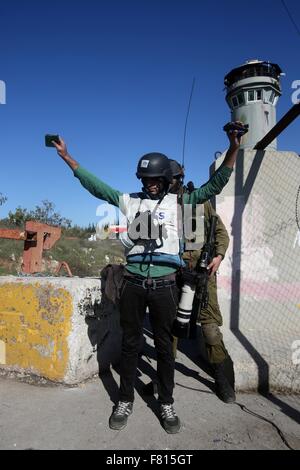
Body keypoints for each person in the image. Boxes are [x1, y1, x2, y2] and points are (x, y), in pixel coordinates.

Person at [51, 124, 240, 433]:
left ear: (166, 180)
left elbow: (215, 184)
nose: (151, 185)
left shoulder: (181, 202)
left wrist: (233, 147)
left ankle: (166, 402)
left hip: (166, 284)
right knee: (130, 344)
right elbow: (98, 187)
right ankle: (125, 400)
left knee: (166, 347)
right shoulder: (131, 201)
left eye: (156, 180)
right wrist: (68, 158)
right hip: (134, 284)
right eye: (146, 180)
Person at [169, 159, 235, 403]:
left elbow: (220, 232)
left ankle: (223, 379)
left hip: (202, 274)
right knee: (172, 326)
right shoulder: (161, 206)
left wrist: (217, 256)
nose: (169, 184)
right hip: (174, 274)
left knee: (209, 329)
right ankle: (165, 380)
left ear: (179, 179)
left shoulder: (198, 201)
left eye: (173, 179)